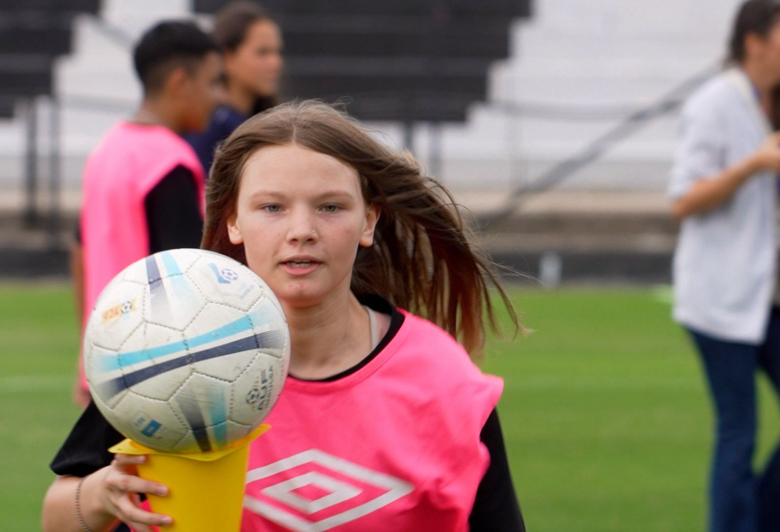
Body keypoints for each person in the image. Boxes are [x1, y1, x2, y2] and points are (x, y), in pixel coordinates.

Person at [41, 101, 527, 532]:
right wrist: (101, 495)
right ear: (233, 219)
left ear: (369, 221)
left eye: (330, 207)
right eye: (272, 207)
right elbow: (58, 515)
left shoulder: (444, 381)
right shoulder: (167, 354)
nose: (302, 230)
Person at [668, 1, 780, 531]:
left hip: (776, 297)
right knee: (738, 434)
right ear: (755, 41)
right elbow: (683, 200)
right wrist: (751, 165)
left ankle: (762, 523)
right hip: (720, 297)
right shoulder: (714, 104)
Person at [68, 21, 223, 408]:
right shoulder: (169, 161)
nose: (218, 97)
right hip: (153, 372)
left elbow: (80, 250)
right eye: (212, 82)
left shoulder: (107, 148)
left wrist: (86, 352)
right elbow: (185, 274)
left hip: (104, 359)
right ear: (180, 83)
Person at [184, 0, 283, 175]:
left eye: (277, 52)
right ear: (227, 58)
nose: (275, 63)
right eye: (263, 52)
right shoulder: (209, 126)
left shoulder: (262, 121)